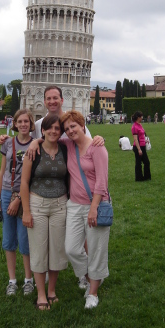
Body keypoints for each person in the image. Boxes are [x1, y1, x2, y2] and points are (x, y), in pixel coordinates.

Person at [59, 111, 110, 309]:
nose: (70, 131)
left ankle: (93, 292)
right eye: (67, 128)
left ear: (82, 125)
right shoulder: (69, 145)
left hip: (95, 203)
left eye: (73, 126)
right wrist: (36, 142)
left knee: (96, 248)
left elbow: (102, 182)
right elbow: (48, 137)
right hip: (74, 205)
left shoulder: (97, 148)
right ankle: (92, 275)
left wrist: (94, 208)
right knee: (71, 248)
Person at [20, 114, 69, 310]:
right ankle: (41, 293)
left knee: (57, 250)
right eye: (50, 128)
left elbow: (83, 141)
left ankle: (51, 290)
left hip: (60, 205)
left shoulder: (65, 149)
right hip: (37, 204)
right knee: (39, 250)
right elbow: (24, 183)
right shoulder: (33, 151)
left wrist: (100, 138)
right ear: (43, 131)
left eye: (57, 128)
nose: (53, 131)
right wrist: (26, 211)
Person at [0, 109, 35, 296]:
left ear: (31, 124)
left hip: (26, 196)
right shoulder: (8, 144)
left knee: (25, 240)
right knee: (8, 240)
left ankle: (28, 280)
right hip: (7, 193)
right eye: (20, 121)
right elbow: (2, 172)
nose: (23, 124)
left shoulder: (36, 145)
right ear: (14, 124)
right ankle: (12, 280)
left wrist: (19, 199)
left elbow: (35, 178)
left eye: (26, 121)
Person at [131, 111, 151, 181]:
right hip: (138, 147)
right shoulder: (134, 127)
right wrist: (139, 149)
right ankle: (139, 178)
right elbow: (136, 139)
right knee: (138, 163)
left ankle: (146, 177)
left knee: (146, 162)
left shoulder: (140, 125)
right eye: (141, 116)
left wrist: (145, 140)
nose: (142, 118)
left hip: (143, 145)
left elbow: (141, 135)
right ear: (138, 117)